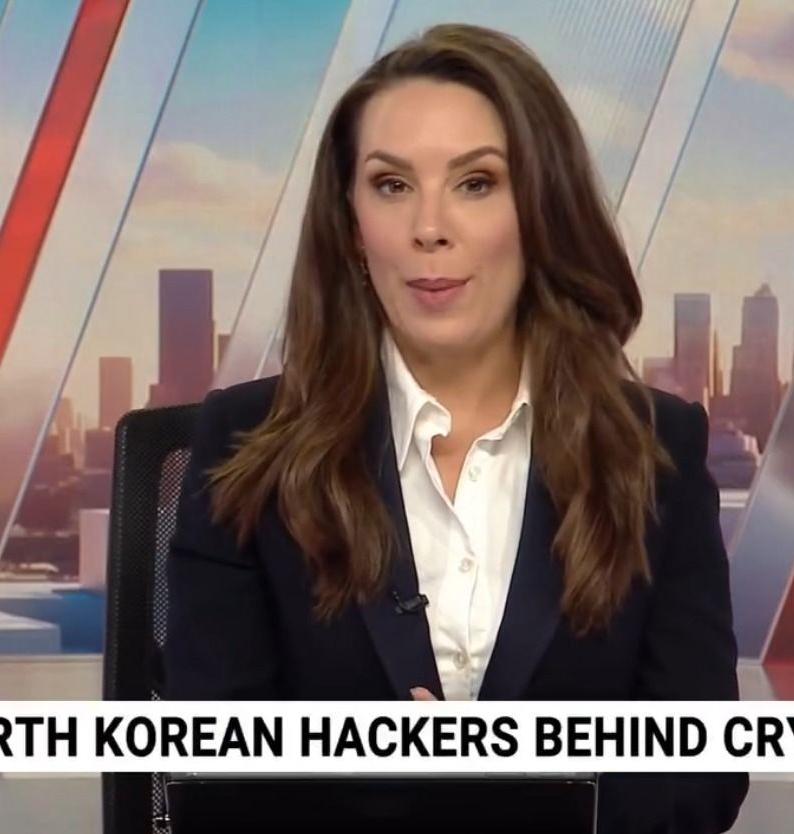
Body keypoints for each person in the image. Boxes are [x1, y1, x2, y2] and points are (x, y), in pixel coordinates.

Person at [165, 22, 747, 834]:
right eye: (391, 185)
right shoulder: (244, 448)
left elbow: (699, 775)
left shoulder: (657, 452)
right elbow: (213, 779)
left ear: (539, 210)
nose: (428, 227)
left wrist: (508, 784)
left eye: (475, 183)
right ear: (351, 224)